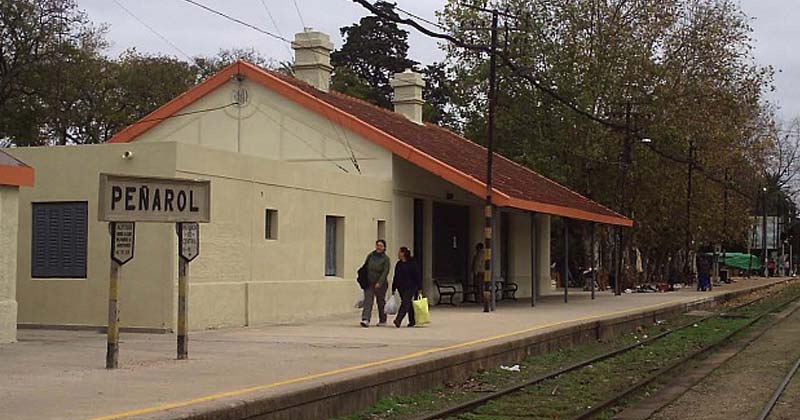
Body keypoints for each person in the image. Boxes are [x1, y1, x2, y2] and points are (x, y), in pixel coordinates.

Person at [360, 239, 391, 328]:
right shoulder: (370, 256)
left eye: (381, 246)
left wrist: (379, 282)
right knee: (368, 301)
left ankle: (382, 319)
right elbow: (365, 266)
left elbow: (385, 272)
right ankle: (365, 319)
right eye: (377, 245)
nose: (379, 247)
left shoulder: (386, 259)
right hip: (369, 282)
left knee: (380, 301)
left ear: (384, 247)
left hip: (380, 283)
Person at [392, 247, 422, 328]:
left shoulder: (412, 263)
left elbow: (417, 275)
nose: (398, 254)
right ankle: (412, 320)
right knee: (408, 303)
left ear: (403, 253)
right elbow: (396, 276)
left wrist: (419, 287)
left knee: (405, 302)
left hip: (411, 286)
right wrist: (394, 287)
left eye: (399, 252)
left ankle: (398, 319)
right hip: (401, 287)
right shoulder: (399, 264)